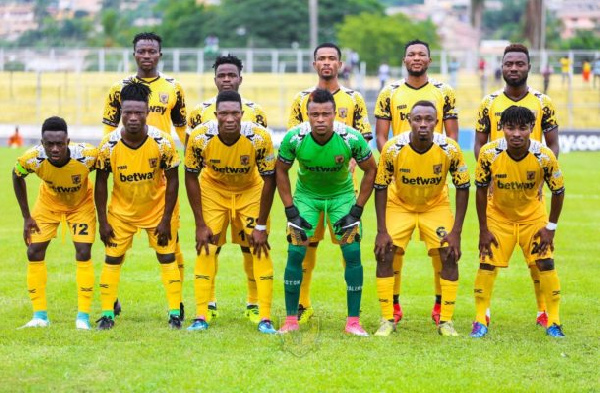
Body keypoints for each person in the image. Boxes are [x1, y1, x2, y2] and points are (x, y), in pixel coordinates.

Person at [277, 89, 376, 336]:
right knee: (295, 252)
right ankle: (291, 320)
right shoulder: (294, 138)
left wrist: (357, 210)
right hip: (307, 199)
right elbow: (280, 171)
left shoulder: (351, 138)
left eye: (325, 114)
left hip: (341, 198)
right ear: (307, 115)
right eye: (315, 114)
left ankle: (353, 321)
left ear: (335, 114)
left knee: (352, 252)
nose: (320, 119)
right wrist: (290, 209)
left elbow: (371, 170)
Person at [102, 32, 187, 319]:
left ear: (160, 54)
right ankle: (109, 299)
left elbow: (181, 128)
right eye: (142, 51)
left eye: (152, 51)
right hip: (128, 170)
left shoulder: (173, 87)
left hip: (162, 171)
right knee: (116, 244)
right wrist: (113, 160)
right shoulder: (119, 89)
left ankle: (177, 302)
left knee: (170, 244)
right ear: (134, 53)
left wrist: (191, 156)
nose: (147, 55)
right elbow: (108, 130)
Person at [374, 39, 458, 327]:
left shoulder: (444, 92)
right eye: (411, 53)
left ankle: (440, 306)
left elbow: (452, 138)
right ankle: (392, 309)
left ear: (430, 60)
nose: (417, 57)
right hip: (400, 181)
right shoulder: (390, 93)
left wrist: (437, 162)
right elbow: (381, 137)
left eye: (422, 53)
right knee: (391, 250)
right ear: (404, 59)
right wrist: (397, 163)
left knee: (442, 249)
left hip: (434, 183)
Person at [475, 44, 559, 327]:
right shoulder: (489, 103)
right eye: (509, 63)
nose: (514, 68)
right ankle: (482, 315)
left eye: (519, 64)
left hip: (531, 191)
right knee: (489, 252)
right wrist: (486, 176)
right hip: (498, 190)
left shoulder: (543, 102)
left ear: (528, 67)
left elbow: (553, 143)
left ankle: (543, 311)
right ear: (501, 66)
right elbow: (479, 143)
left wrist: (542, 175)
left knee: (538, 257)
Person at [373, 101, 470, 337]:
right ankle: (387, 318)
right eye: (418, 119)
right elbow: (381, 186)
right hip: (400, 204)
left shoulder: (450, 148)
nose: (423, 124)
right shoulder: (393, 148)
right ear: (409, 121)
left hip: (435, 205)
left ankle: (445, 320)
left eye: (429, 119)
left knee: (449, 253)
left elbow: (463, 187)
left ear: (437, 123)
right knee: (385, 252)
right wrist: (381, 229)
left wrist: (456, 231)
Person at [184, 90, 277, 334]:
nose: (229, 118)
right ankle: (201, 315)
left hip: (250, 190)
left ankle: (265, 317)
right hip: (214, 189)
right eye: (223, 113)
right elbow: (191, 177)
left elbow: (270, 179)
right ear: (215, 115)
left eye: (234, 113)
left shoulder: (259, 137)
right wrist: (199, 223)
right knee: (207, 248)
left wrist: (261, 225)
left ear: (242, 114)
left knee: (259, 248)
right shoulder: (200, 137)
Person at [471, 105, 565, 338]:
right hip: (498, 216)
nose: (516, 133)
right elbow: (481, 190)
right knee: (487, 264)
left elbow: (559, 191)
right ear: (501, 128)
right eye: (510, 127)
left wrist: (550, 228)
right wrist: (483, 228)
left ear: (532, 128)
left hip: (533, 217)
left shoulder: (544, 155)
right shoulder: (489, 153)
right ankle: (481, 319)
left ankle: (553, 321)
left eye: (523, 128)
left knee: (545, 263)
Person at [13, 116, 97, 330]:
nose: (55, 148)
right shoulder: (32, 158)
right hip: (48, 204)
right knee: (33, 252)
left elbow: (105, 173)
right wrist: (26, 217)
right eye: (49, 144)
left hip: (80, 205)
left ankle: (83, 317)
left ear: (68, 141)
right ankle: (40, 316)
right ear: (42, 143)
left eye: (60, 143)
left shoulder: (87, 156)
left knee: (83, 251)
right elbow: (16, 176)